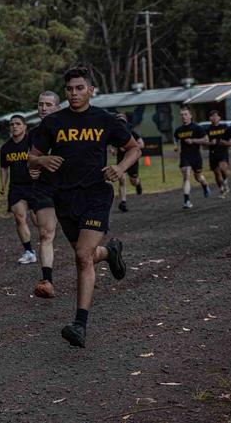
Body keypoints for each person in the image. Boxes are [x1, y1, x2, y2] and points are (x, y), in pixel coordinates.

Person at [29, 66, 141, 348]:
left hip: (96, 195)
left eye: (80, 88)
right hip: (64, 197)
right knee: (87, 254)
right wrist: (43, 161)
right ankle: (110, 252)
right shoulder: (53, 123)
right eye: (69, 89)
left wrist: (120, 167)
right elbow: (32, 157)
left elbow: (134, 148)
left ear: (91, 90)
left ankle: (79, 324)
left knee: (81, 257)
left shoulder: (105, 119)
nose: (74, 93)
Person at [28, 91, 61, 298]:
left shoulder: (67, 129)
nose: (44, 108)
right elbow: (30, 159)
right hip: (44, 188)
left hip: (68, 187)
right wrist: (32, 168)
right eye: (41, 104)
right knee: (45, 234)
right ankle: (47, 280)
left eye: (49, 104)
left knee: (80, 242)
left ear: (57, 107)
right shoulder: (33, 133)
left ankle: (102, 257)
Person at [0, 115, 38, 264]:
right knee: (19, 218)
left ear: (24, 127)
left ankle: (46, 244)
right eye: (12, 124)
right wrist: (2, 184)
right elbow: (4, 167)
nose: (14, 126)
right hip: (16, 187)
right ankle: (29, 251)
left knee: (38, 221)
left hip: (34, 186)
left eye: (18, 124)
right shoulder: (6, 148)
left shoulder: (32, 143)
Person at [173, 105, 211, 208]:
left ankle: (205, 185)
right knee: (186, 176)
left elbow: (206, 140)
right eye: (181, 115)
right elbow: (176, 139)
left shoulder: (197, 128)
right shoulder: (178, 130)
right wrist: (176, 146)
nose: (183, 117)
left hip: (196, 156)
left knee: (198, 177)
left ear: (190, 115)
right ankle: (187, 201)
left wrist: (193, 140)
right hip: (184, 156)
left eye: (185, 114)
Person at [114, 113, 145, 212]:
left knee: (133, 181)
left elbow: (142, 145)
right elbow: (113, 148)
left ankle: (138, 184)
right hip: (121, 161)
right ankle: (123, 202)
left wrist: (130, 147)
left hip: (132, 160)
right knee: (122, 180)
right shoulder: (115, 134)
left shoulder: (133, 134)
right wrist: (114, 151)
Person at [205, 110, 230, 196]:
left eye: (216, 116)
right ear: (209, 118)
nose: (214, 118)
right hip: (213, 153)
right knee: (216, 172)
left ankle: (225, 182)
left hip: (223, 151)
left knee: (223, 168)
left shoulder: (224, 127)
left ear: (219, 117)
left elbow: (230, 138)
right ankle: (221, 188)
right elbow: (204, 143)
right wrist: (210, 143)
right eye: (212, 116)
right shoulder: (207, 130)